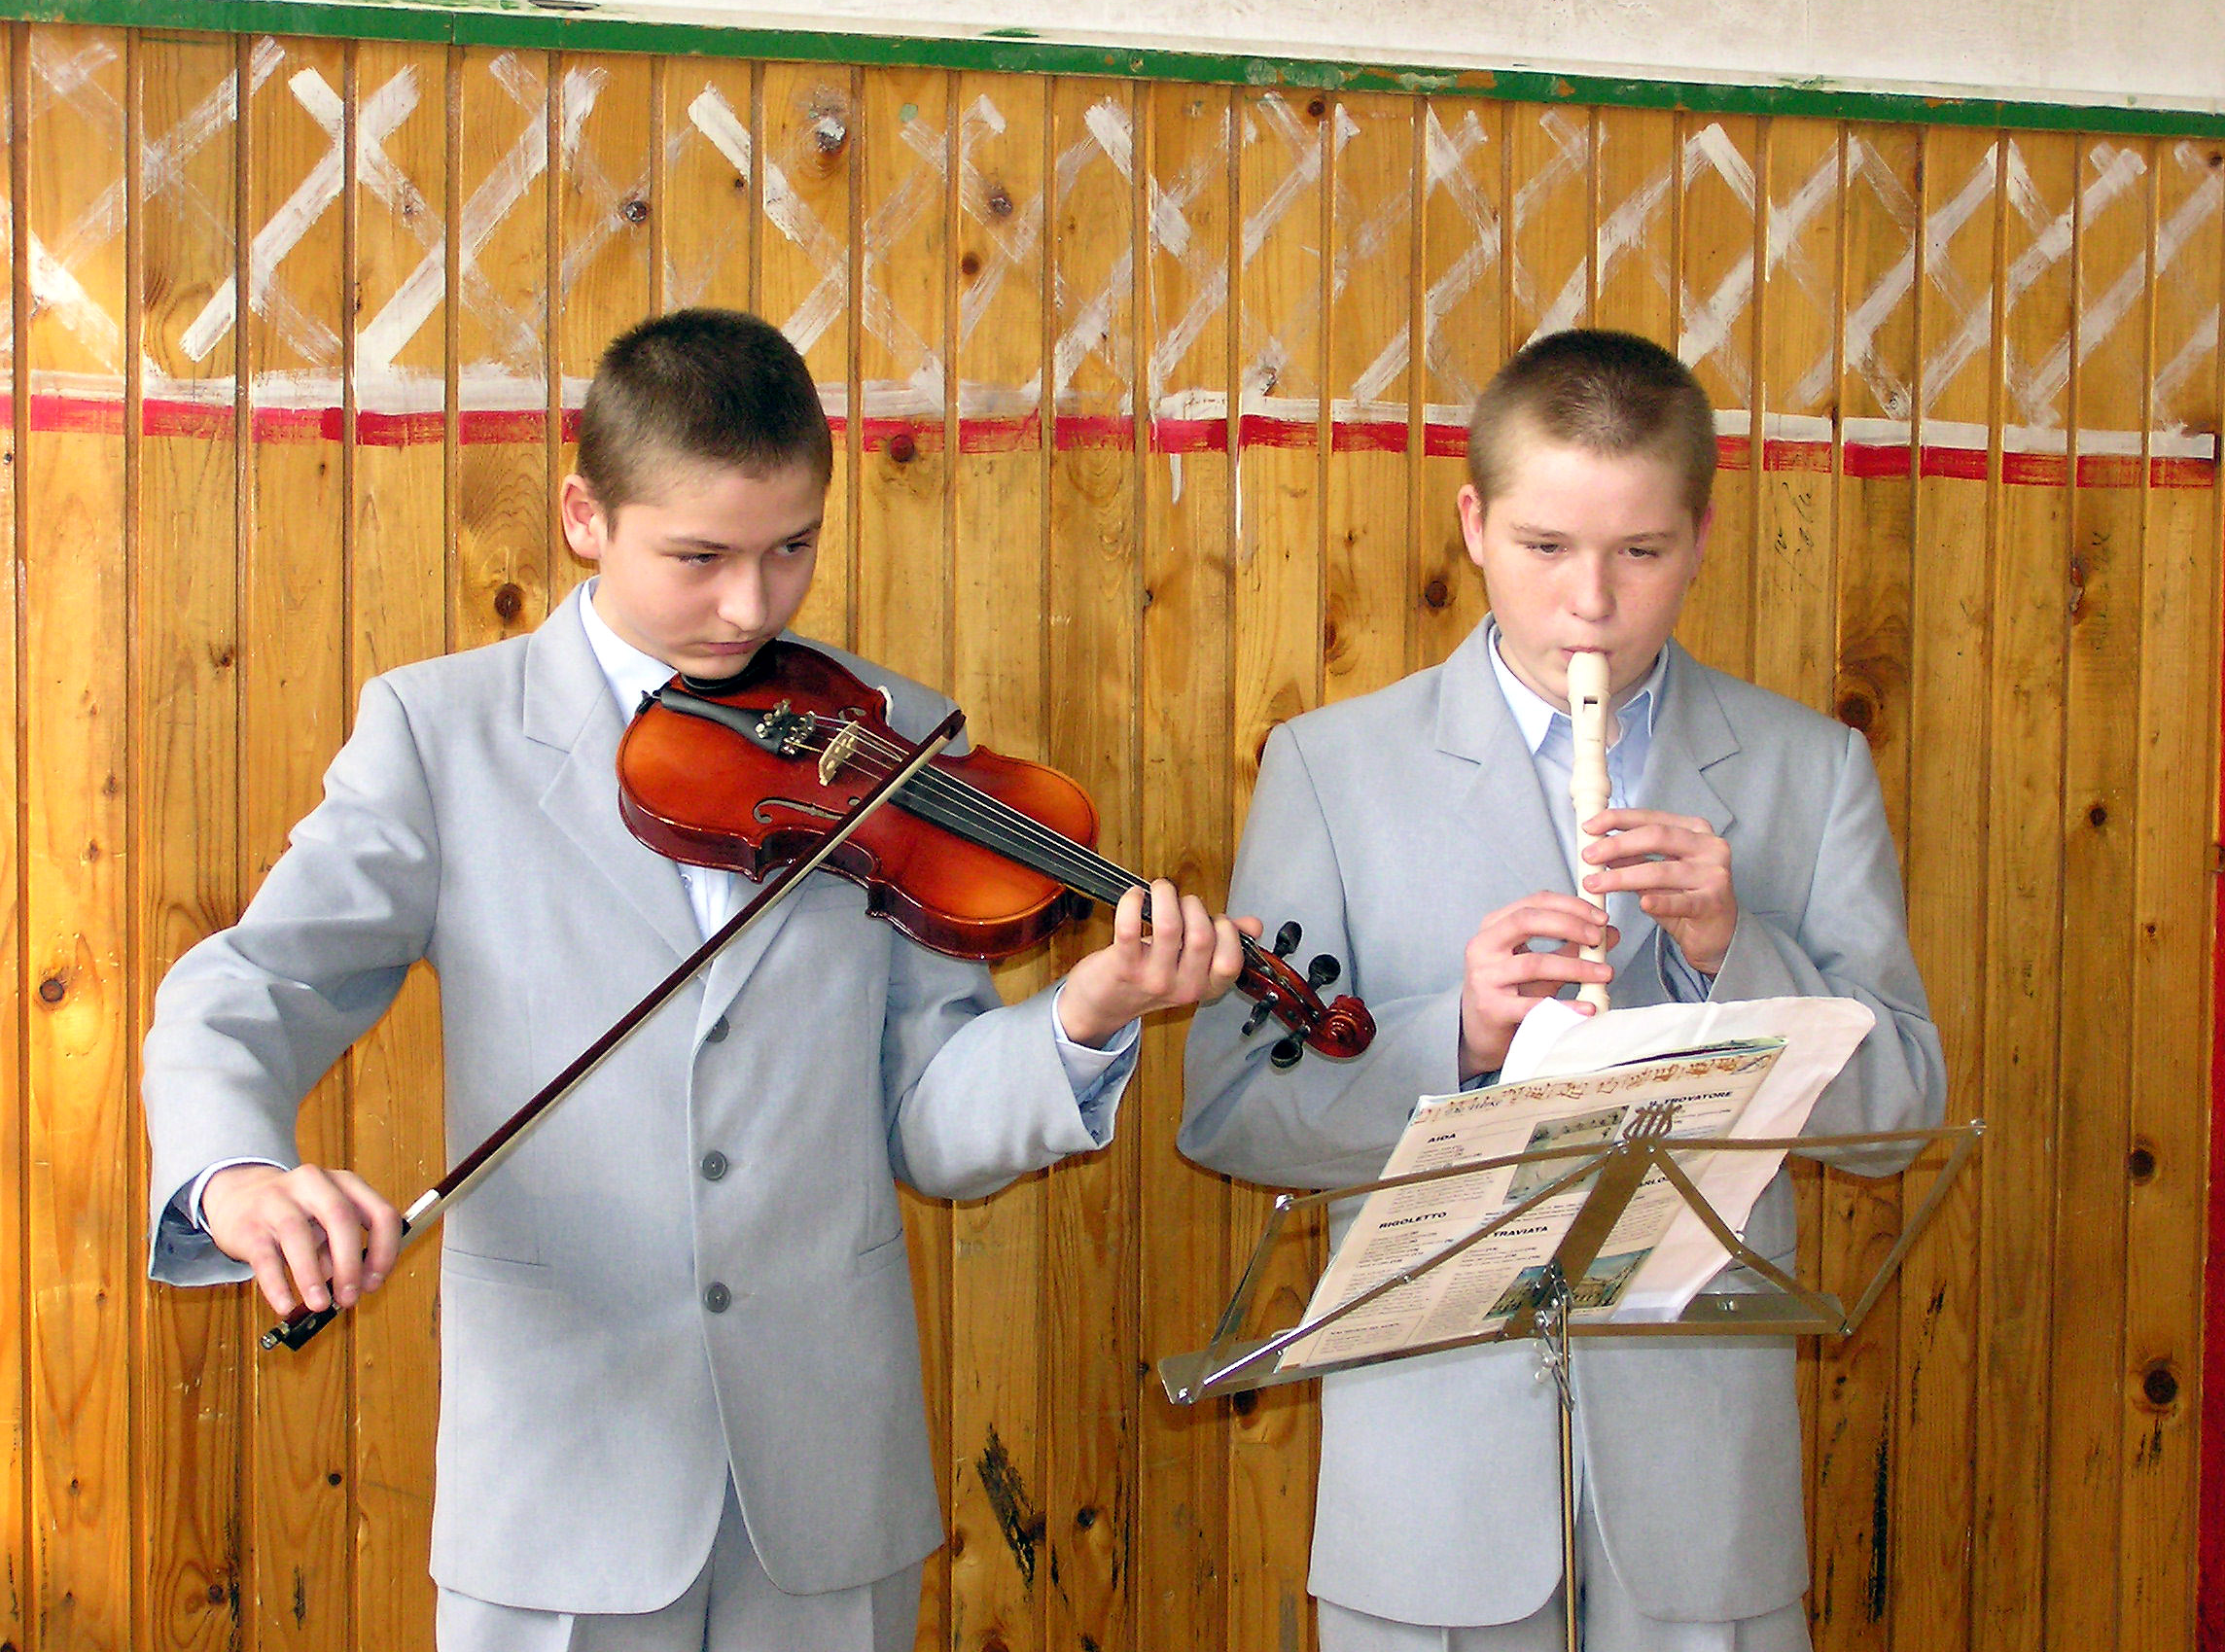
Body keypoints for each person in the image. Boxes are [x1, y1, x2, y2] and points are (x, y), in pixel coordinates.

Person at [143, 307, 1248, 1652]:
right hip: (564, 1474)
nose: (751, 606)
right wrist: (237, 1177)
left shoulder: (891, 741)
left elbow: (932, 1129)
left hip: (827, 1490)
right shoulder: (443, 734)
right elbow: (250, 986)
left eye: (793, 549)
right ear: (585, 517)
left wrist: (1083, 1017)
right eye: (700, 557)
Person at [1180, 329, 1945, 1651]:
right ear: (1474, 526)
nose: (1591, 602)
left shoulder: (1808, 771)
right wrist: (1457, 1036)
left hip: (1701, 1500)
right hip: (1430, 1498)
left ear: (1699, 541)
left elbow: (1903, 1114)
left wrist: (1736, 950)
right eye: (1545, 547)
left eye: (1640, 552)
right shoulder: (1331, 768)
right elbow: (1233, 1109)